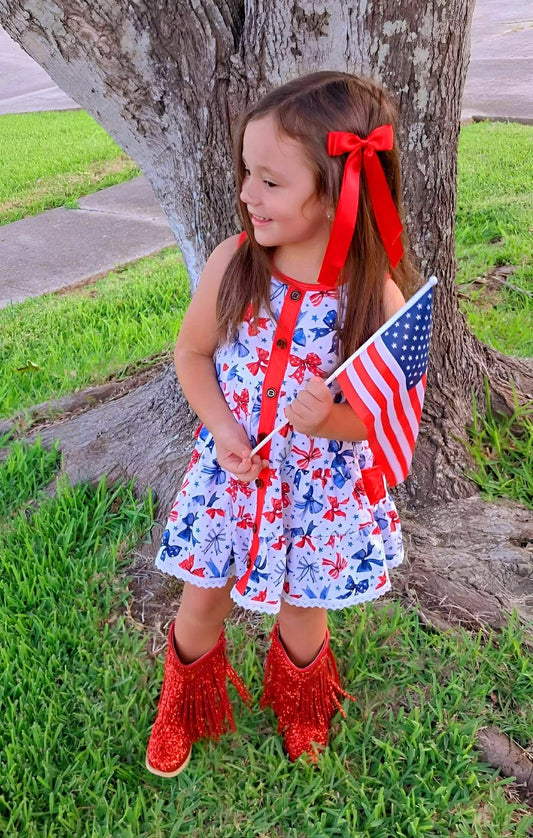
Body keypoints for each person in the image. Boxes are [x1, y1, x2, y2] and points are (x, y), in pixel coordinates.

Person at [145, 70, 417, 778]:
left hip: (315, 496)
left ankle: (302, 702)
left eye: (269, 181)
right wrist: (224, 431)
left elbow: (388, 413)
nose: (245, 194)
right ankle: (185, 701)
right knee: (200, 601)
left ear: (335, 192)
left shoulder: (372, 293)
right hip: (231, 476)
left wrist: (331, 420)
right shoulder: (236, 263)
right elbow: (193, 353)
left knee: (301, 613)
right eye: (246, 174)